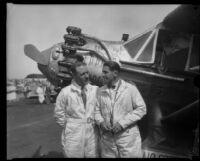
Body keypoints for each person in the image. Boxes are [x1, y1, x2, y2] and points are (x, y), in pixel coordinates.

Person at [95, 61, 147, 158]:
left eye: (105, 72)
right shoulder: (100, 91)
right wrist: (101, 122)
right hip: (108, 140)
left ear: (115, 73)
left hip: (127, 139)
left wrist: (122, 124)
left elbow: (141, 109)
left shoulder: (130, 89)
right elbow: (96, 111)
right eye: (103, 72)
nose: (102, 74)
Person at [54, 62, 99, 158]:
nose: (87, 76)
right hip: (73, 134)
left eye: (87, 72)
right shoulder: (65, 92)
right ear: (73, 75)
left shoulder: (95, 90)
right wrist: (71, 126)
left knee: (93, 155)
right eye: (82, 74)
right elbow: (58, 114)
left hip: (91, 133)